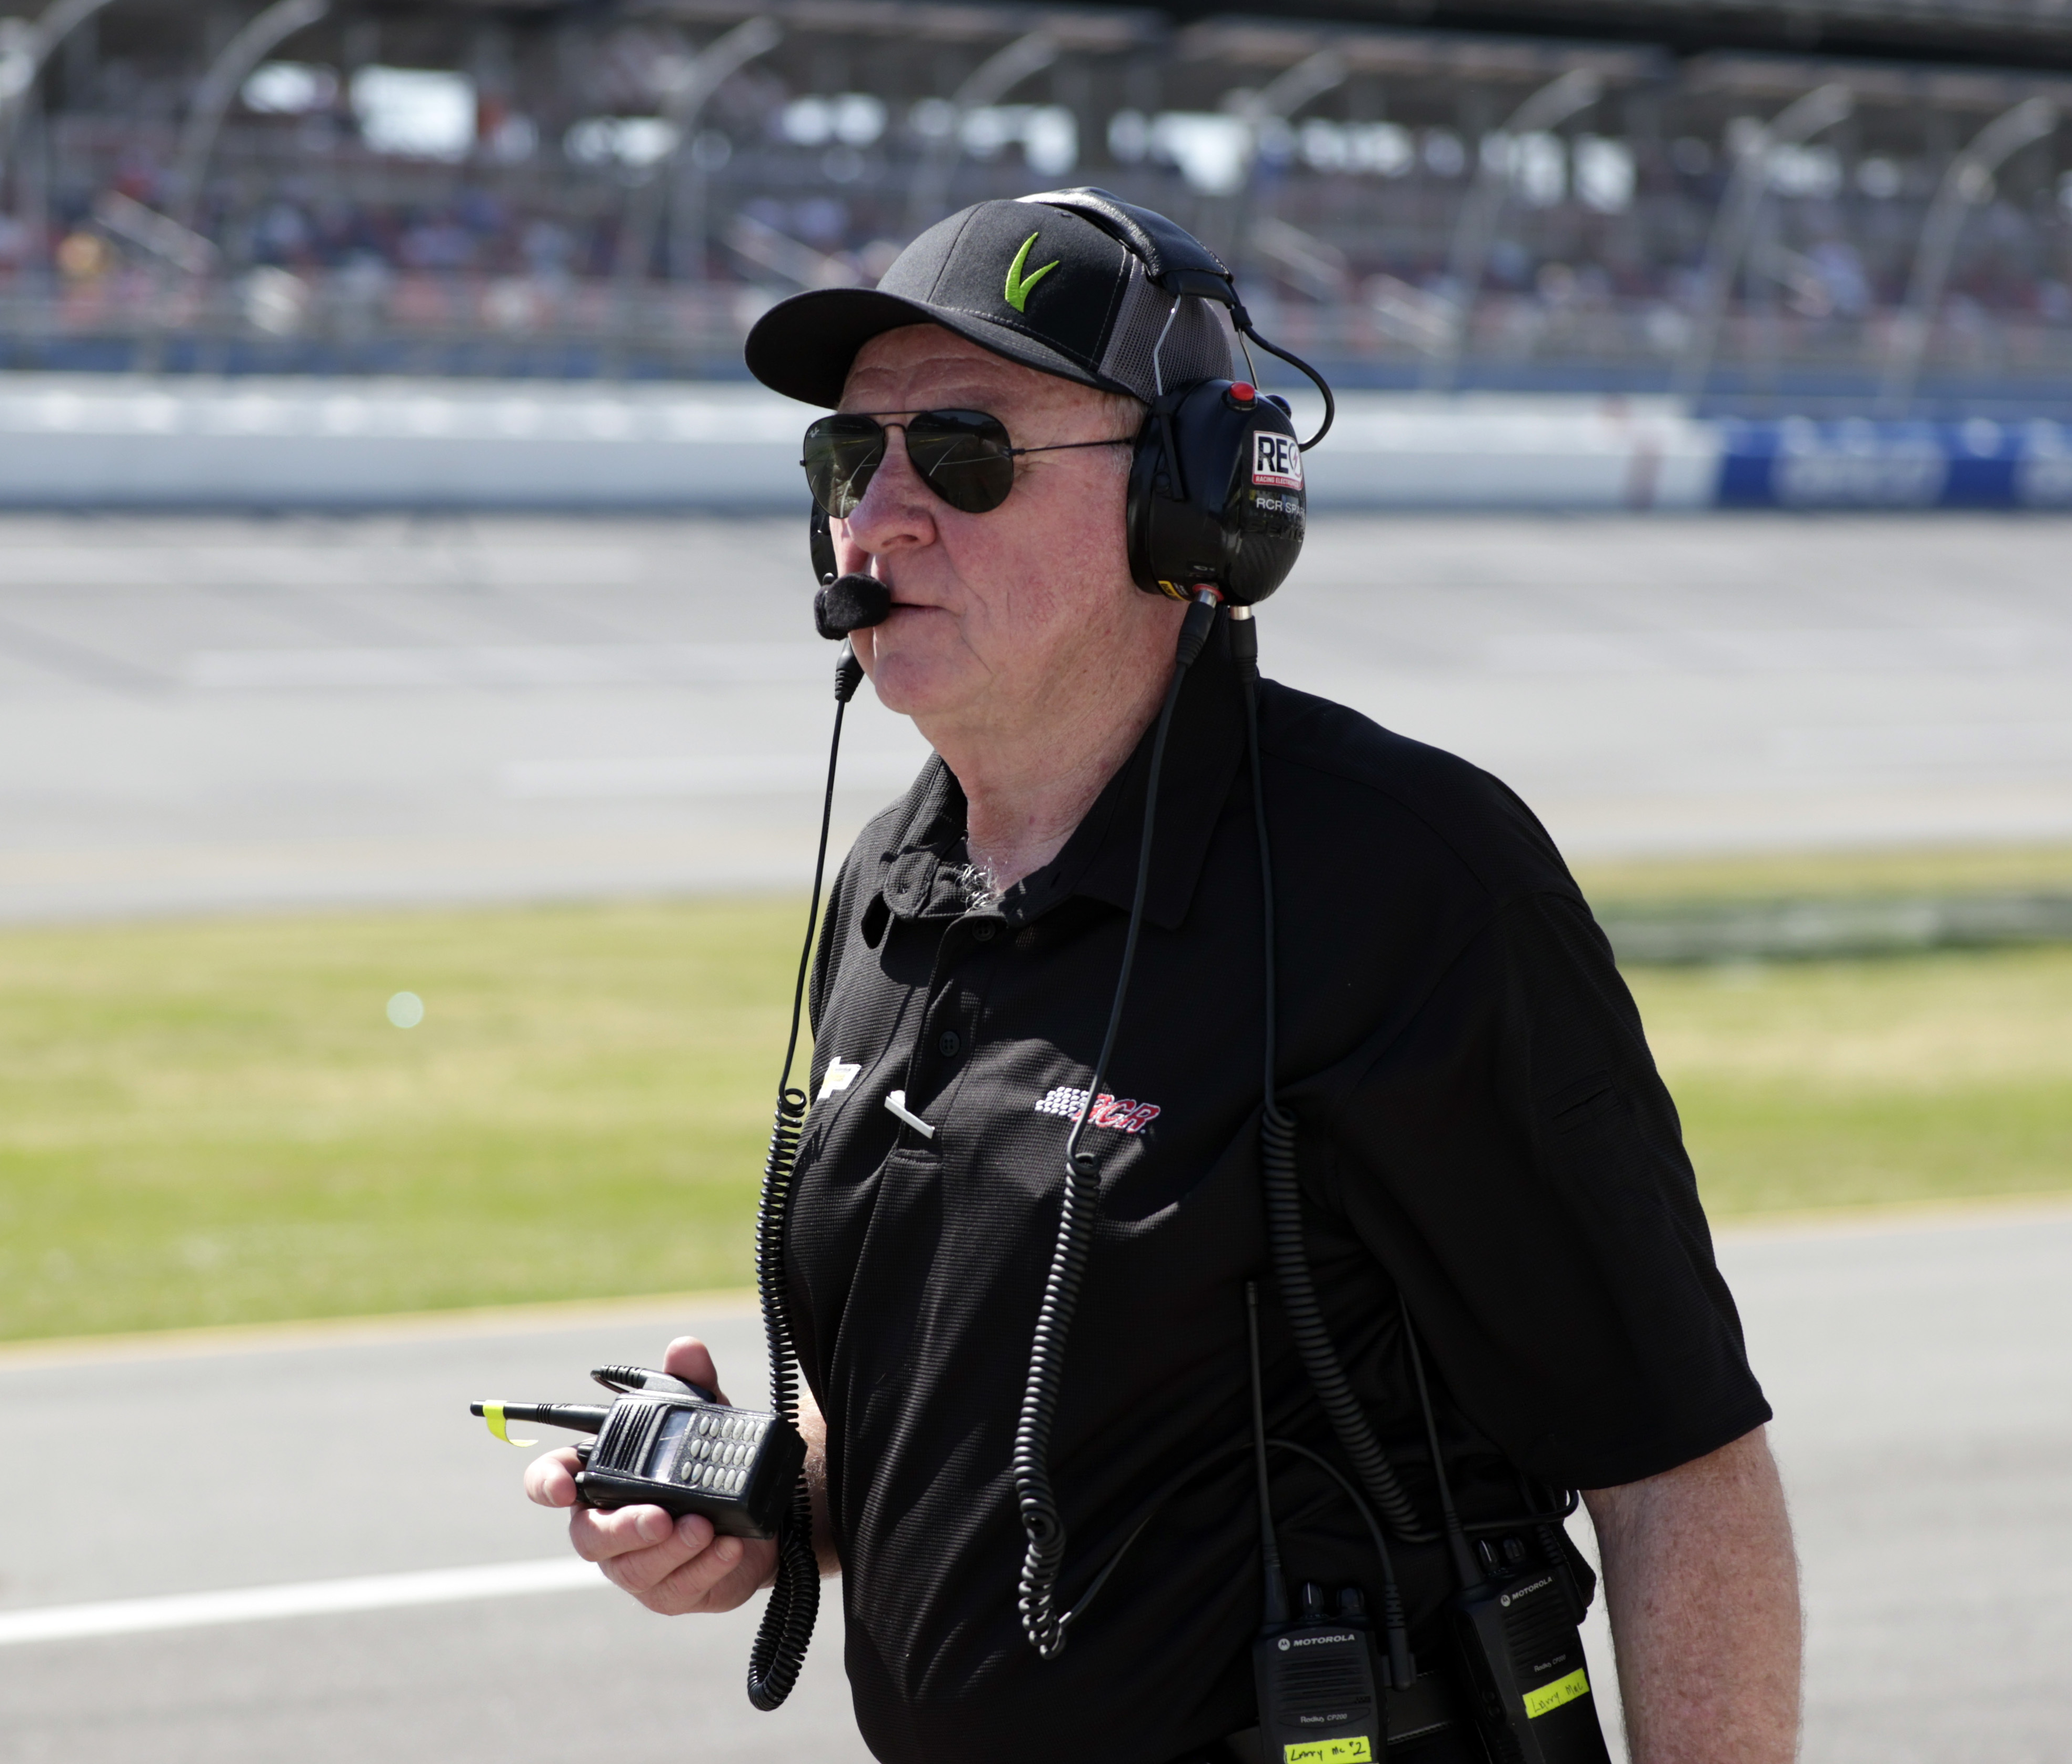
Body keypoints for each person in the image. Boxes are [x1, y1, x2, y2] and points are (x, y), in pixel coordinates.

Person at [520, 192, 1801, 1764]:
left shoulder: (1405, 880)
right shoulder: (886, 892)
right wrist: (758, 1513)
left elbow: (1675, 1462)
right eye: (853, 458)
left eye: (969, 452)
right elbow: (982, 1439)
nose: (887, 513)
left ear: (1187, 504)